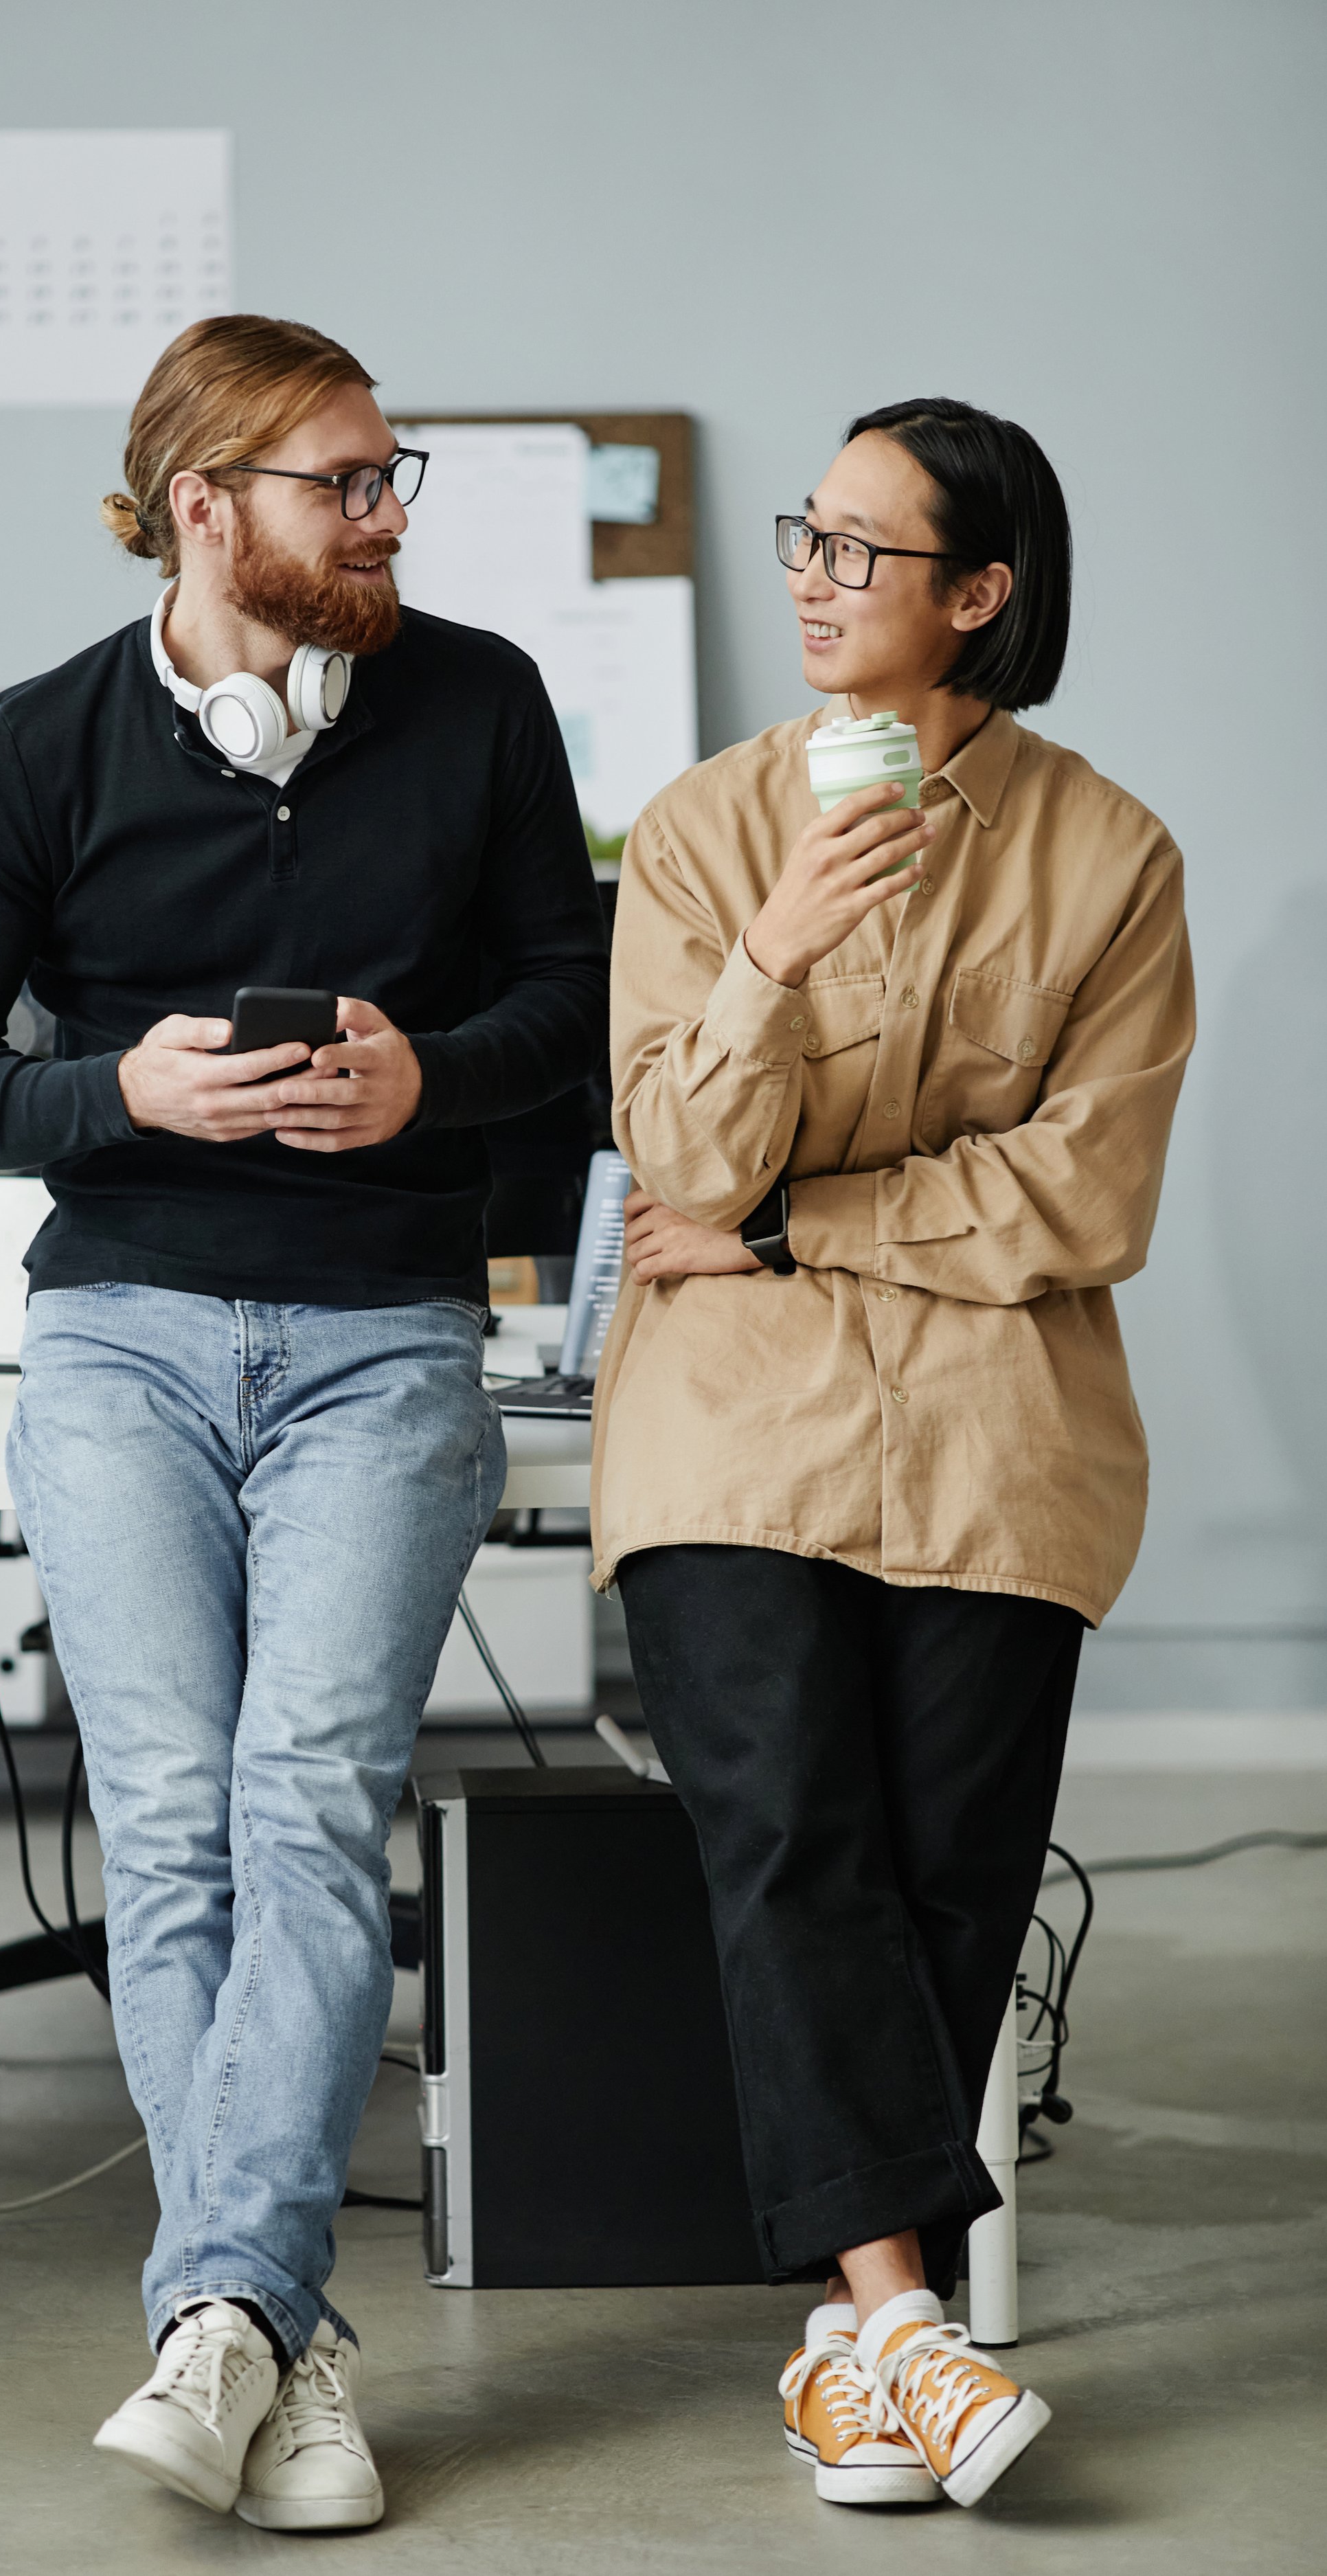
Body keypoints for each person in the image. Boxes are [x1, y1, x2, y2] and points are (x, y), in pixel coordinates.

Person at [0, 313, 606, 2533]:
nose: (385, 515)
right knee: (174, 1828)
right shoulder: (34, 745)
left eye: (393, 481)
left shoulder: (475, 702)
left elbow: (574, 1012)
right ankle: (276, 2343)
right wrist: (124, 1093)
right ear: (204, 506)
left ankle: (217, 2317)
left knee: (300, 1806)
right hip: (120, 1339)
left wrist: (434, 1076)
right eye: (344, 481)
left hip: (384, 1329)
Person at [591, 398, 1192, 2508]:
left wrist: (789, 1222)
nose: (813, 579)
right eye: (806, 538)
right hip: (727, 1433)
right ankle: (914, 2320)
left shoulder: (1109, 856)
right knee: (787, 1848)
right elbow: (668, 1148)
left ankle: (852, 2359)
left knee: (951, 1877)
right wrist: (774, 949)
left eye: (863, 549)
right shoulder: (696, 833)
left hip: (996, 1448)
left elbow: (1082, 1201)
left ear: (978, 590)